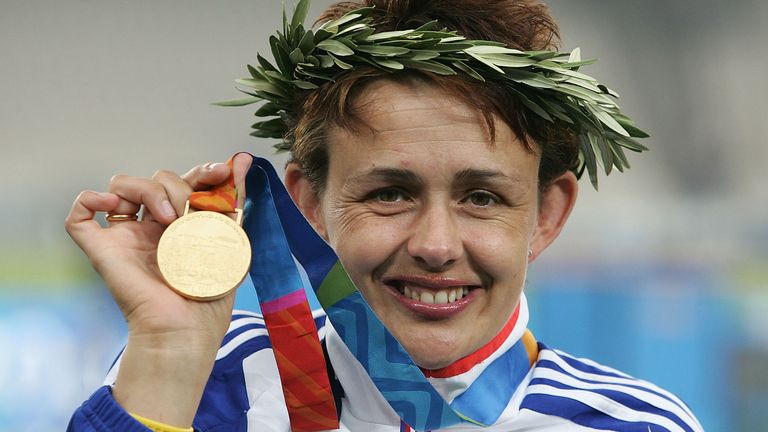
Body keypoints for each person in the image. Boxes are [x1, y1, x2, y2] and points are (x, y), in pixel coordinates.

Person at [66, 0, 703, 431]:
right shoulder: (199, 389)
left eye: (481, 197)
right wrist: (168, 351)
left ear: (545, 213)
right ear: (310, 204)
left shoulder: (632, 425)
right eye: (389, 193)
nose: (434, 245)